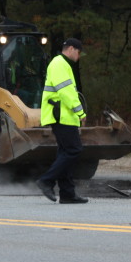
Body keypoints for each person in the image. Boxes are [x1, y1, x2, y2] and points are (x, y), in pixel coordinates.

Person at [36, 38, 89, 204]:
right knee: (74, 150)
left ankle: (67, 194)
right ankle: (46, 181)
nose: (79, 57)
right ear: (71, 49)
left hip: (64, 116)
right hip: (62, 116)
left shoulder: (62, 64)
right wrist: (80, 112)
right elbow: (66, 92)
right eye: (78, 53)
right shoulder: (59, 64)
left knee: (65, 151)